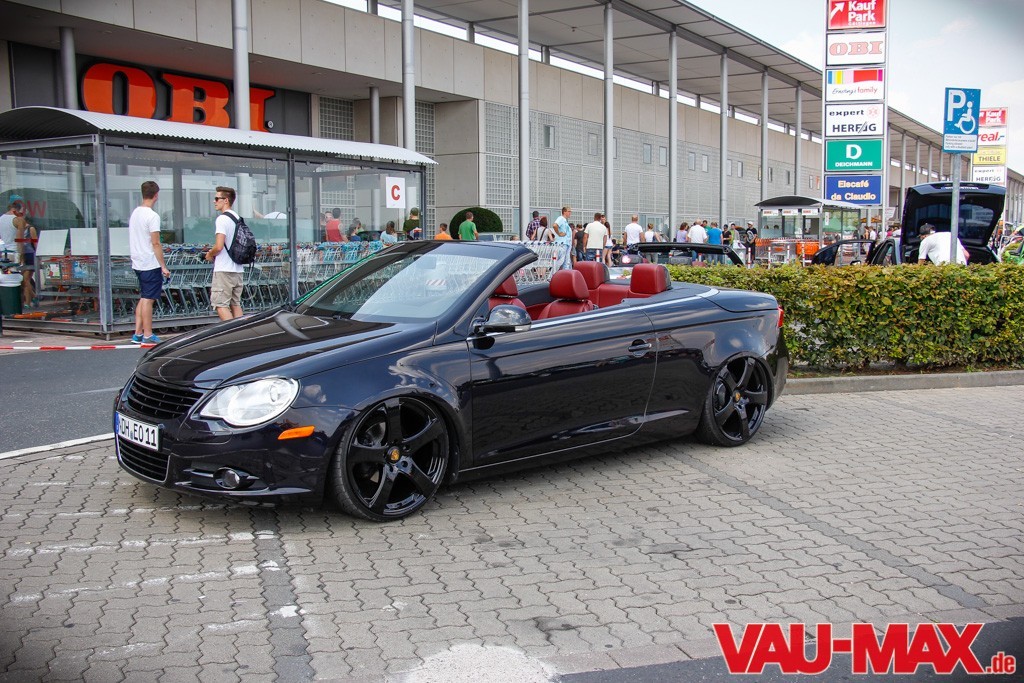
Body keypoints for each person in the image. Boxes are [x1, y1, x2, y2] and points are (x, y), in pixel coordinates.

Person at [128, 181, 170, 344]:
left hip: (137, 261)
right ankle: (147, 334)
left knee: (144, 296)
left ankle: (138, 333)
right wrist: (163, 266)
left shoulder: (135, 213)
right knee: (148, 299)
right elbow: (156, 243)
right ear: (156, 195)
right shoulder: (152, 216)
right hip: (149, 262)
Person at [204, 186, 245, 320]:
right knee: (235, 304)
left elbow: (219, 246)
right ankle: (241, 331)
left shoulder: (222, 219)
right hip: (238, 269)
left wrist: (209, 254)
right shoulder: (237, 218)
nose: (214, 201)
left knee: (220, 305)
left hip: (224, 269)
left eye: (217, 199)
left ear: (226, 200)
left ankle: (232, 331)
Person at [8, 197, 37, 306]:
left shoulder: (30, 229)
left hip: (29, 256)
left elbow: (35, 244)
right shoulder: (17, 229)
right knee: (23, 281)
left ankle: (29, 302)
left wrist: (38, 257)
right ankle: (33, 298)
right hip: (21, 255)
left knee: (25, 280)